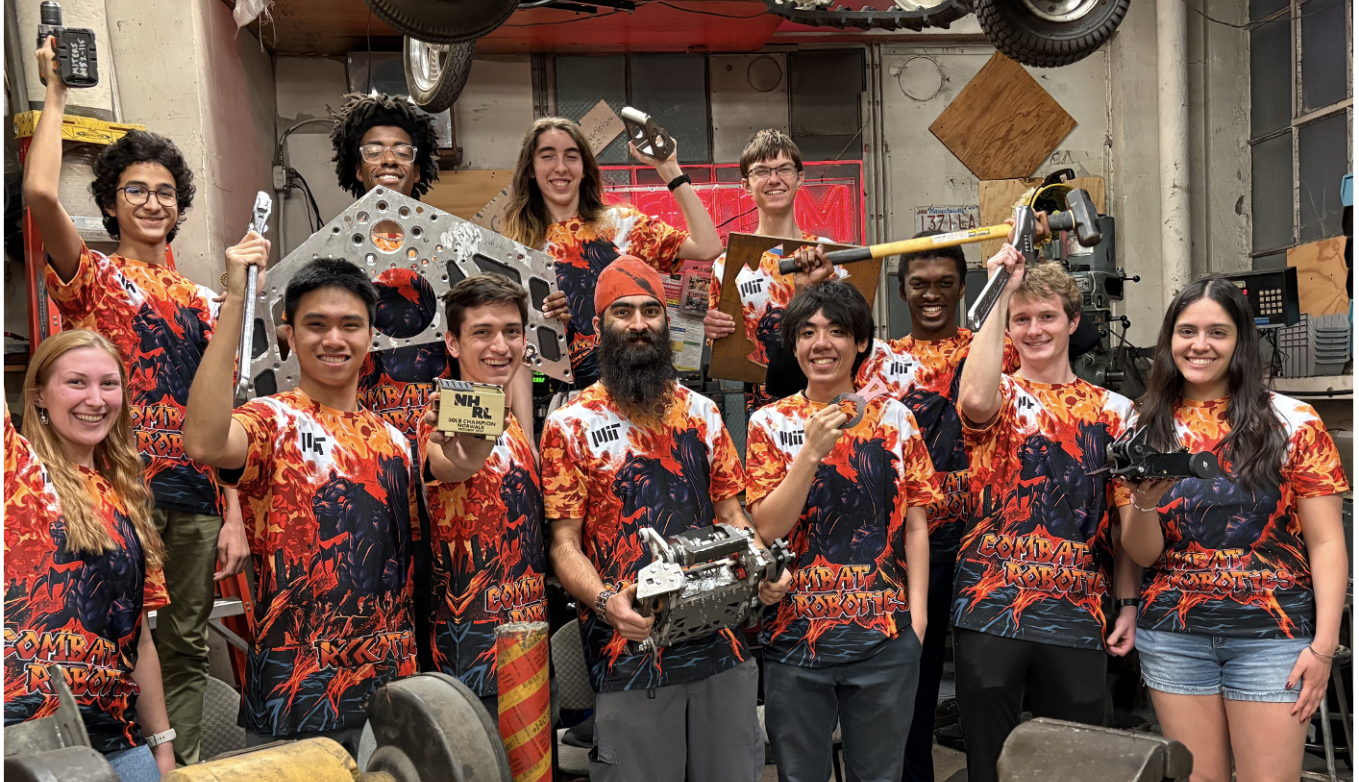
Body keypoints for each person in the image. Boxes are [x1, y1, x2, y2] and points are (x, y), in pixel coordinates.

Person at [22, 37, 248, 766]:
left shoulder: (209, 299)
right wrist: (55, 96)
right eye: (135, 190)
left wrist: (234, 512)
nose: (152, 202)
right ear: (113, 203)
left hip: (191, 497)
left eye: (164, 192)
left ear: (180, 206)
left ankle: (166, 767)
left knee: (181, 644)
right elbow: (39, 196)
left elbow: (228, 411)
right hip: (107, 492)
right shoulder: (93, 278)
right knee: (89, 634)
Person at [541, 256, 789, 782]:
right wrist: (608, 603)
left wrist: (764, 567)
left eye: (650, 311)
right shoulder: (569, 425)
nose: (638, 324)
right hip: (629, 649)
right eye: (622, 312)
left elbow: (731, 513)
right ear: (599, 327)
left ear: (665, 321)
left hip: (723, 646)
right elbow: (564, 544)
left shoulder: (702, 413)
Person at [183, 249, 419, 754]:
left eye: (350, 325)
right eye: (316, 325)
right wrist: (238, 303)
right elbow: (203, 443)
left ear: (371, 336)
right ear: (289, 334)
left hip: (391, 694)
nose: (334, 339)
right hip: (297, 697)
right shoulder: (271, 421)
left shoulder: (397, 442)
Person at [1120, 277, 1348, 782]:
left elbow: (1328, 541)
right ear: (1169, 340)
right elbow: (1141, 553)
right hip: (1176, 637)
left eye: (1217, 332)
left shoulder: (1292, 422)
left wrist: (1324, 647)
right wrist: (1146, 501)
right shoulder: (1141, 428)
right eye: (1187, 331)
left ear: (1240, 340)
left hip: (1275, 638)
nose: (1200, 345)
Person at [952, 248, 1140, 782]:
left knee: (1074, 762)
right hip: (991, 606)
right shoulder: (1000, 393)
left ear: (1072, 321)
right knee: (988, 759)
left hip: (1077, 610)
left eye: (1048, 316)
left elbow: (1125, 520)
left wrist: (1127, 603)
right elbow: (974, 398)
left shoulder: (1114, 411)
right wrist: (996, 293)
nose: (1035, 330)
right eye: (1022, 319)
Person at [746, 281, 936, 782]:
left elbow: (916, 525)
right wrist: (808, 453)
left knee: (880, 775)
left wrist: (916, 621)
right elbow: (766, 527)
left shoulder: (896, 420)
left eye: (836, 331)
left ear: (861, 344)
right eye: (807, 332)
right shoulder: (769, 423)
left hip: (885, 639)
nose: (821, 343)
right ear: (794, 346)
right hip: (795, 642)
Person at [851, 233, 1015, 782]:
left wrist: (1009, 274)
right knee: (912, 680)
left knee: (986, 684)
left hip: (983, 545)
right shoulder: (878, 361)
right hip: (909, 546)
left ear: (964, 287)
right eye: (919, 284)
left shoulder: (995, 346)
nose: (932, 295)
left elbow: (1078, 332)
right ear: (900, 290)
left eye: (946, 284)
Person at [4, 329, 175, 780]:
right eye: (76, 382)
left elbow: (138, 640)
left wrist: (162, 744)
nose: (95, 399)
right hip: (23, 740)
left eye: (109, 384)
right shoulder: (15, 470)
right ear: (40, 395)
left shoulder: (127, 496)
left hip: (118, 739)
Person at [329, 93, 537, 447]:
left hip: (454, 430)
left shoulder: (457, 250)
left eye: (402, 151)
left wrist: (525, 440)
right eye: (374, 150)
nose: (389, 159)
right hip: (363, 438)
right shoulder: (329, 260)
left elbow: (506, 344)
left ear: (419, 168)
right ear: (357, 168)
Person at [502, 117, 723, 393]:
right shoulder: (517, 249)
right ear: (531, 169)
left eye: (571, 156)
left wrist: (670, 170)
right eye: (547, 156)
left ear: (584, 169)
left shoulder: (621, 225)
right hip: (571, 399)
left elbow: (707, 246)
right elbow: (517, 350)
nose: (560, 167)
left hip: (644, 388)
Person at [417, 274, 546, 718]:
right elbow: (455, 462)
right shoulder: (438, 416)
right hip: (469, 650)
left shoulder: (513, 423)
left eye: (511, 331)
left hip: (530, 637)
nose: (500, 345)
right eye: (483, 332)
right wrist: (466, 443)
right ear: (452, 344)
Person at [703, 129, 845, 412]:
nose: (774, 179)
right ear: (745, 184)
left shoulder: (828, 256)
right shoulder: (728, 266)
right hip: (763, 413)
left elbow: (851, 333)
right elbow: (721, 347)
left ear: (800, 177)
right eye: (762, 172)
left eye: (784, 169)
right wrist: (708, 329)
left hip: (828, 404)